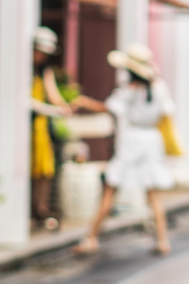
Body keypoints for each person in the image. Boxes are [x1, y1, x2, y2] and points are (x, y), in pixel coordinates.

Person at [80, 43, 176, 255]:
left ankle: (91, 238)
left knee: (110, 189)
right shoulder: (160, 87)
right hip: (152, 139)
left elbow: (109, 107)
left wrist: (84, 102)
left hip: (133, 141)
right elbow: (167, 112)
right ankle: (162, 240)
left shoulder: (130, 90)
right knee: (153, 194)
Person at [30, 26, 70, 230]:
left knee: (45, 169)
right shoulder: (25, 69)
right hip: (28, 125)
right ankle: (32, 209)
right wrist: (48, 108)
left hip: (41, 126)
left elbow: (52, 92)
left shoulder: (45, 71)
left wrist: (63, 106)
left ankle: (42, 208)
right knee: (30, 168)